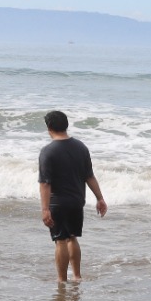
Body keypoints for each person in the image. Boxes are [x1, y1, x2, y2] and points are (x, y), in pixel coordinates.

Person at [38, 110, 108, 283]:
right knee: (72, 237)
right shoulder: (81, 147)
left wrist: (45, 209)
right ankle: (77, 276)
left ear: (49, 127)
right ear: (66, 125)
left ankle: (62, 280)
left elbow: (45, 183)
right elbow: (89, 176)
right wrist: (100, 198)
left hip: (58, 203)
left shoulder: (48, 151)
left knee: (60, 240)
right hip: (77, 201)